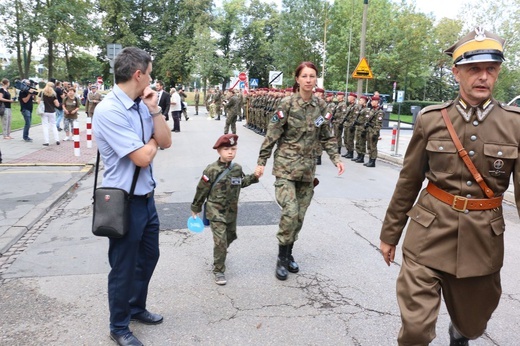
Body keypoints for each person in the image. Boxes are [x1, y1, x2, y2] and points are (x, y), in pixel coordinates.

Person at [379, 27, 520, 346]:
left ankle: (460, 333)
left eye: (491, 69)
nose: (483, 76)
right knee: (414, 332)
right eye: (474, 69)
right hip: (427, 235)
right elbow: (409, 180)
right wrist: (390, 234)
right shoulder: (431, 120)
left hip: (483, 242)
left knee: (472, 325)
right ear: (456, 72)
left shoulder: (515, 125)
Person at [92, 46, 171, 346]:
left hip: (146, 199)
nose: (152, 80)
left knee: (150, 256)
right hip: (123, 202)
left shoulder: (141, 104)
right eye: (149, 74)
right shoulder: (110, 110)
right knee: (123, 267)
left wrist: (154, 110)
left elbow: (166, 141)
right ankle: (119, 326)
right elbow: (142, 157)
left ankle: (136, 307)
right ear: (138, 74)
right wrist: (151, 143)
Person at [255, 61, 345, 281]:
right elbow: (272, 133)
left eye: (312, 76)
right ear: (297, 79)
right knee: (290, 212)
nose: (308, 80)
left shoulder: (321, 107)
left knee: (299, 217)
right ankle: (281, 259)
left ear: (316, 79)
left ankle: (289, 253)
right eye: (304, 76)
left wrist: (335, 158)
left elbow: (327, 135)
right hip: (285, 168)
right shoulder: (286, 104)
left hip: (307, 170)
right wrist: (261, 161)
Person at [191, 134, 260, 285]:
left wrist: (254, 176)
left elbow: (241, 182)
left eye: (233, 149)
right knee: (221, 242)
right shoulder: (211, 170)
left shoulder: (237, 169)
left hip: (231, 212)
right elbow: (202, 189)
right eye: (226, 149)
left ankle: (219, 255)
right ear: (219, 151)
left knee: (230, 237)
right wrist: (195, 207)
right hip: (215, 212)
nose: (230, 152)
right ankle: (219, 270)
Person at [363, 95, 384, 167]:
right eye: (371, 101)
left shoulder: (379, 112)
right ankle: (370, 159)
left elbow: (378, 124)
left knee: (373, 147)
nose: (371, 102)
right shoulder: (372, 110)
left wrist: (376, 133)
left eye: (373, 101)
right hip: (369, 130)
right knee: (369, 146)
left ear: (377, 102)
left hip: (374, 131)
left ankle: (373, 161)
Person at [38, 82, 61, 146]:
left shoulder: (42, 93)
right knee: (53, 125)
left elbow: (38, 101)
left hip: (44, 111)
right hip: (52, 111)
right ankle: (57, 140)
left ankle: (47, 141)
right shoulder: (53, 94)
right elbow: (57, 104)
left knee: (45, 126)